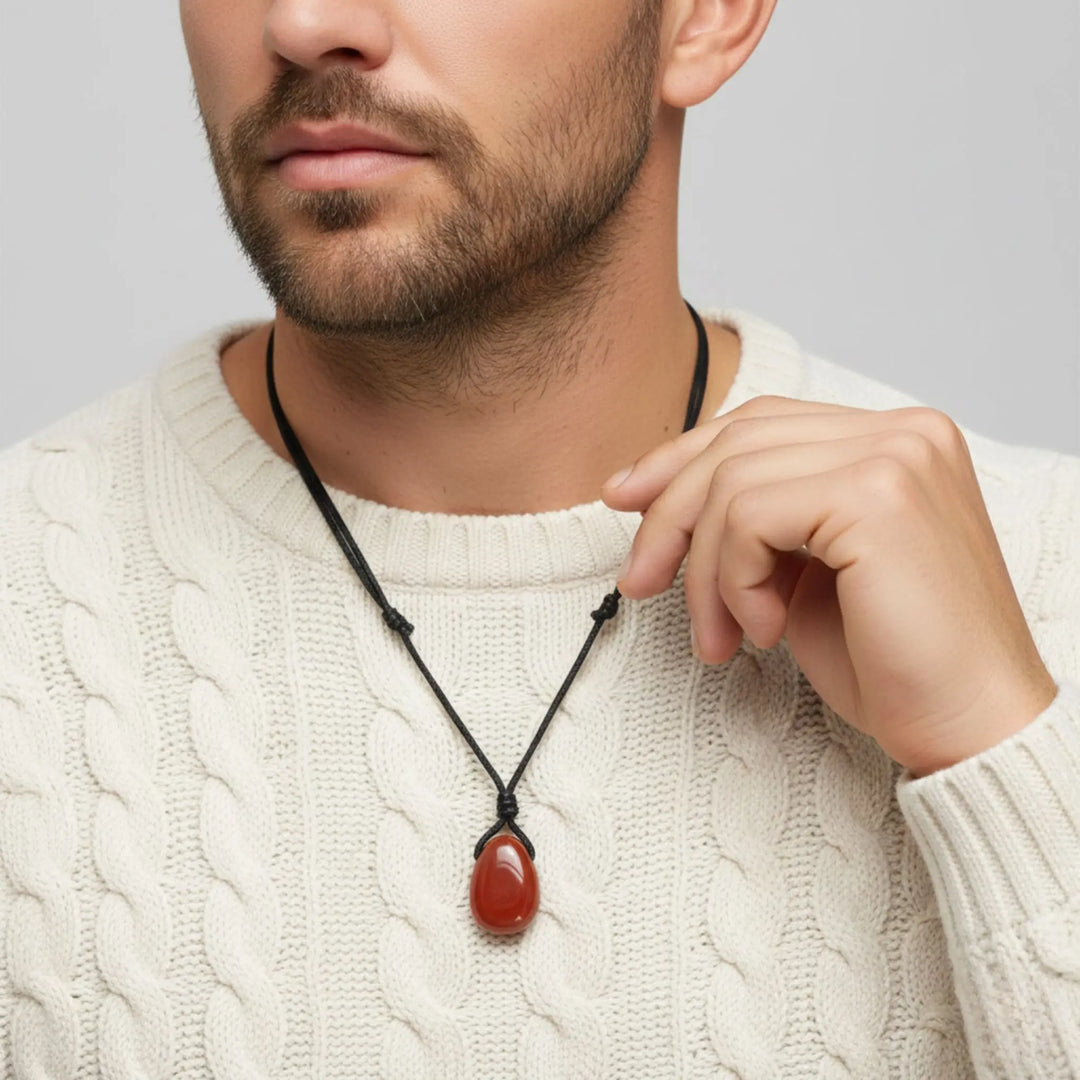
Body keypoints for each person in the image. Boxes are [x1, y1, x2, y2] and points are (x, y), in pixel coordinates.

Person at [1, 0, 1077, 1076]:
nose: (304, 21)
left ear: (702, 18)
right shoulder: (26, 605)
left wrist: (999, 748)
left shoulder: (1043, 585)